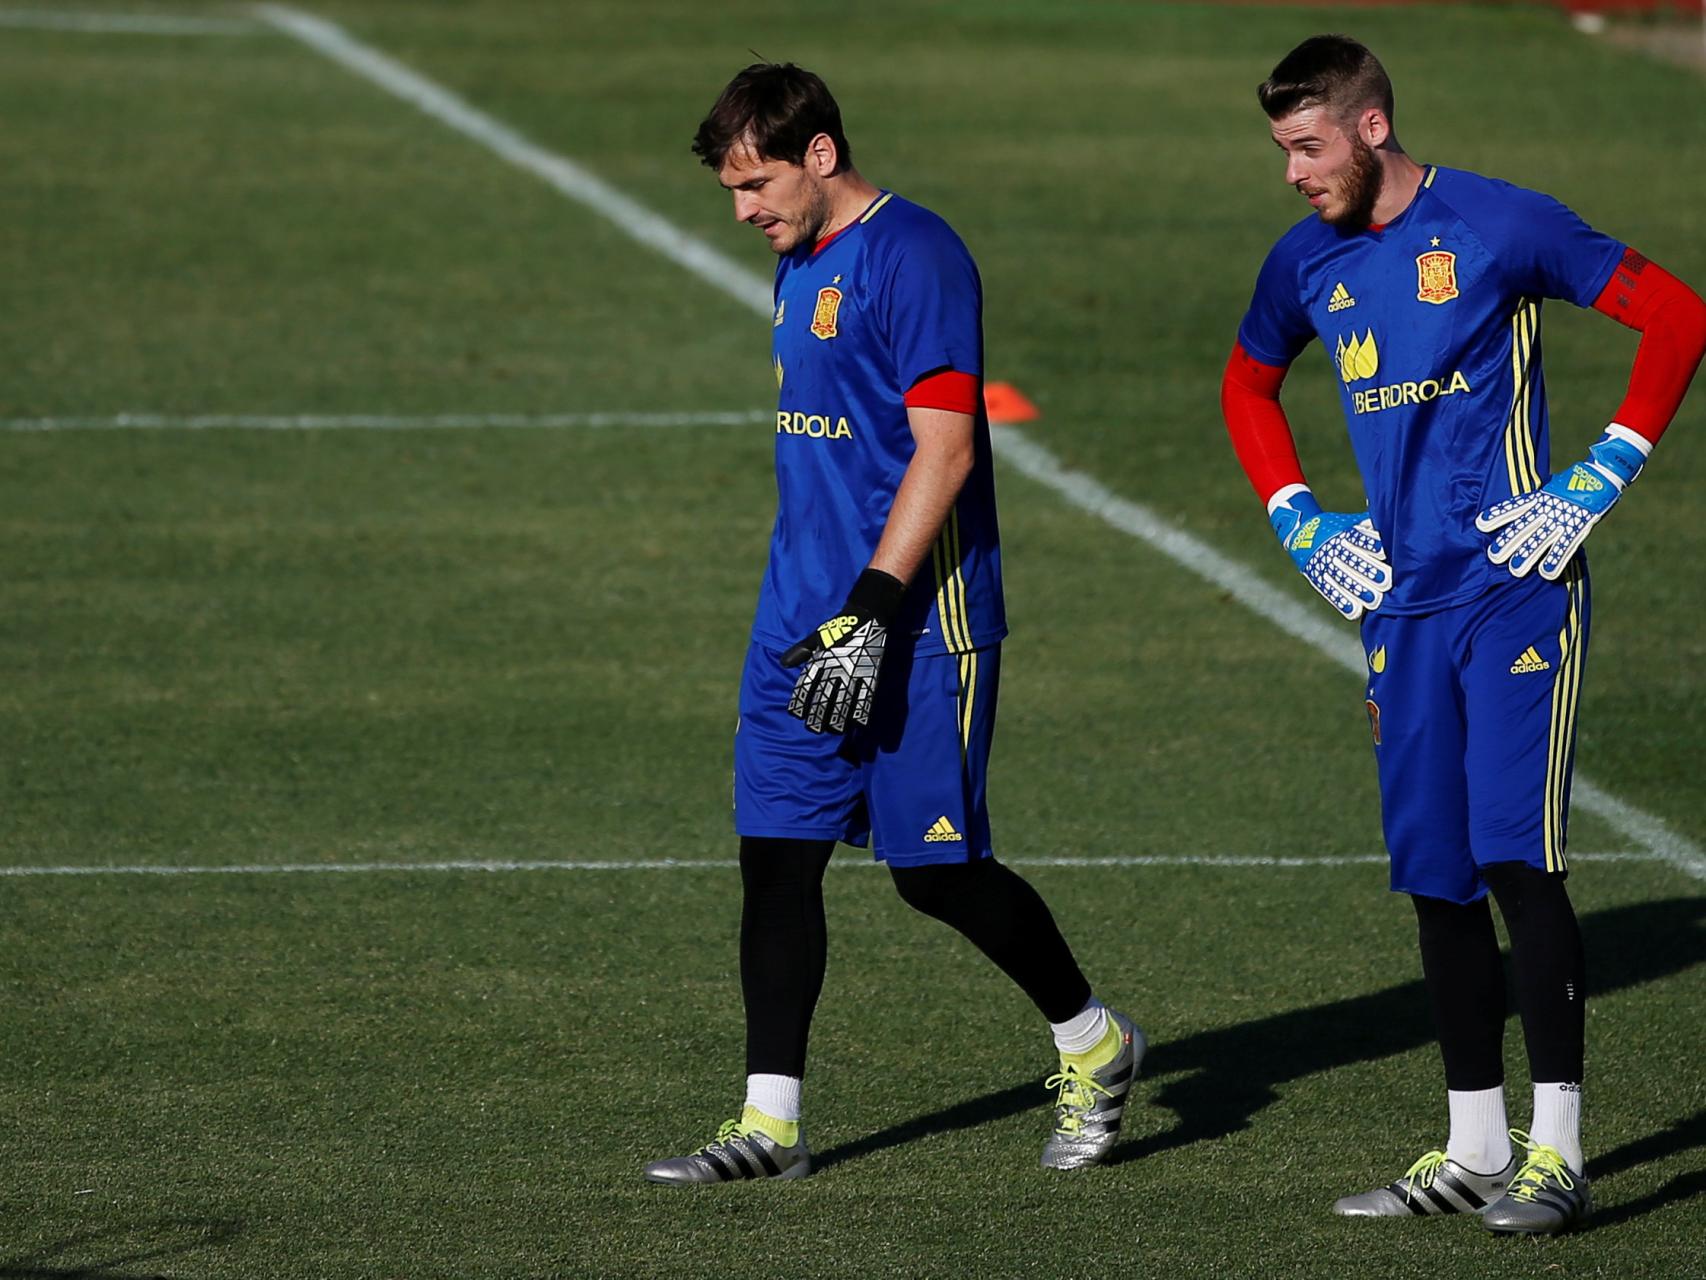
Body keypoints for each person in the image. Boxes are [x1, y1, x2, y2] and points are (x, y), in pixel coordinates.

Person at [1220, 35, 1706, 1235]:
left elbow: (1677, 314)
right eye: (1280, 150)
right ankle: (1473, 1144)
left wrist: (1600, 470)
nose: (1291, 172)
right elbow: (1244, 384)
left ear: (1370, 126)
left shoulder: (1498, 224)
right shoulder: (1304, 260)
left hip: (1513, 591)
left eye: (1305, 146)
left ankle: (1558, 1151)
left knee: (1512, 858)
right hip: (1399, 609)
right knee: (1434, 873)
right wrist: (1292, 510)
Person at [643, 63, 1141, 1185]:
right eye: (730, 190)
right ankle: (769, 1125)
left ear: (820, 154)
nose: (742, 211)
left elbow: (947, 446)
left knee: (936, 874)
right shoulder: (797, 256)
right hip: (800, 621)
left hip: (914, 622)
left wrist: (871, 609)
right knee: (775, 861)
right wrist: (822, 613)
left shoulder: (913, 254)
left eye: (756, 183)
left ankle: (1091, 1037)